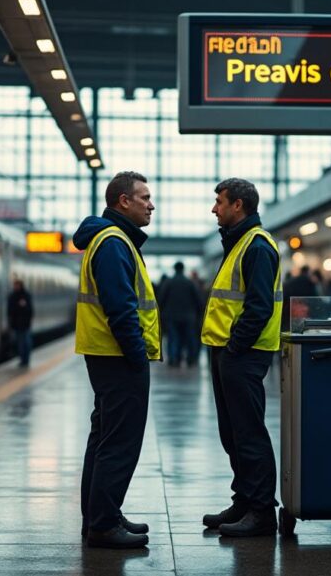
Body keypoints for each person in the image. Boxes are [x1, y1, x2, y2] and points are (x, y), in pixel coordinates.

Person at [72, 171, 159, 550]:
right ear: (123, 201)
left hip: (107, 354)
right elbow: (120, 308)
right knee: (119, 442)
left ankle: (100, 516)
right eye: (144, 197)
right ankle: (103, 524)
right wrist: (137, 355)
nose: (151, 204)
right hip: (118, 354)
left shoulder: (110, 239)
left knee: (105, 436)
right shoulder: (112, 243)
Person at [201, 178, 283, 537]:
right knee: (232, 432)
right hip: (228, 351)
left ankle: (262, 511)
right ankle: (244, 500)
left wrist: (235, 347)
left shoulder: (257, 246)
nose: (214, 208)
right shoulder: (238, 243)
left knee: (249, 432)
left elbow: (259, 306)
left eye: (220, 202)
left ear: (239, 205)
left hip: (243, 354)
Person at [158, 261, 203, 367]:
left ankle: (173, 359)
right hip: (188, 316)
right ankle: (190, 359)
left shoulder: (168, 283)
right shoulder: (190, 283)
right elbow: (198, 300)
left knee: (173, 338)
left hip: (171, 315)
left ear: (175, 269)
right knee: (189, 338)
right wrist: (198, 313)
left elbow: (161, 299)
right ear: (183, 269)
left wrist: (161, 313)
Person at [7, 279, 33, 367]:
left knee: (26, 342)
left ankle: (26, 360)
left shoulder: (26, 295)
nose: (16, 287)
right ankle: (23, 360)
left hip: (25, 324)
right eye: (15, 285)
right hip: (17, 324)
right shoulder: (12, 296)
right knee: (20, 343)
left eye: (17, 285)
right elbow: (10, 311)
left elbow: (30, 310)